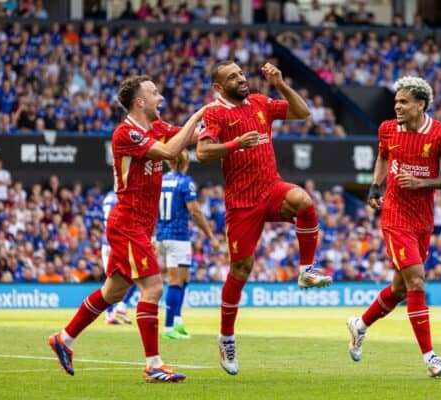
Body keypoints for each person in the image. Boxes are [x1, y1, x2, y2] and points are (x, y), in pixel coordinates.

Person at [49, 75, 207, 382]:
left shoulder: (156, 128)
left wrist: (225, 127)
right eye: (155, 92)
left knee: (113, 292)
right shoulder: (126, 134)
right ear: (140, 102)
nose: (160, 97)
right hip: (128, 224)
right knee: (153, 288)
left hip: (139, 225)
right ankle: (154, 364)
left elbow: (191, 137)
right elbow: (169, 152)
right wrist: (196, 116)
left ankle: (63, 339)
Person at [196, 60, 332, 375]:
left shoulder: (259, 102)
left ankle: (306, 270)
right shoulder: (215, 112)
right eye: (232, 76)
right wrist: (234, 144)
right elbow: (202, 153)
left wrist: (281, 85)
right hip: (241, 204)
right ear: (219, 87)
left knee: (304, 201)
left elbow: (302, 112)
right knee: (241, 269)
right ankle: (226, 337)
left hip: (271, 188)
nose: (241, 78)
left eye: (241, 73)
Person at [346, 76, 441, 378]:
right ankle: (430, 357)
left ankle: (360, 325)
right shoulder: (387, 129)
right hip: (395, 217)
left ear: (420, 104)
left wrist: (422, 182)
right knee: (417, 282)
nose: (397, 107)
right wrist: (374, 188)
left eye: (403, 102)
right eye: (396, 102)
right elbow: (383, 157)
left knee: (399, 288)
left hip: (423, 220)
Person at [157, 150, 220, 339]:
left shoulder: (159, 181)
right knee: (175, 282)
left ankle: (177, 320)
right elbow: (195, 211)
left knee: (184, 279)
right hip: (177, 236)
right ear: (185, 162)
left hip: (162, 235)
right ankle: (169, 328)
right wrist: (210, 236)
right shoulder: (185, 182)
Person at [101, 190, 138, 325]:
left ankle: (110, 314)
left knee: (110, 280)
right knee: (136, 275)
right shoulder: (124, 197)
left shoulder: (107, 197)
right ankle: (121, 307)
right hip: (118, 243)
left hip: (106, 243)